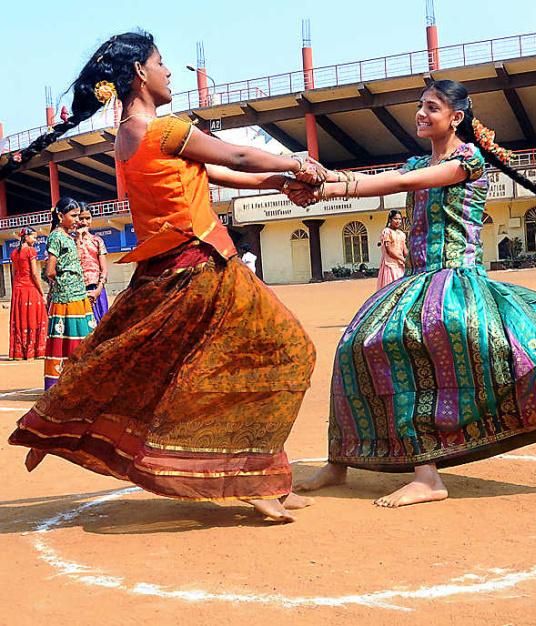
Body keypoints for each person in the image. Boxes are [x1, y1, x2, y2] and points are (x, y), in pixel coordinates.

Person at [5, 32, 324, 523]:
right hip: (203, 270)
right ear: (139, 74)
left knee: (246, 363)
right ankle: (251, 481)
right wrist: (297, 162)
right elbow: (235, 156)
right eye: (161, 62)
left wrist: (284, 181)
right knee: (287, 352)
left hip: (177, 271)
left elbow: (222, 174)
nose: (169, 71)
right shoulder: (165, 129)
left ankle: (265, 478)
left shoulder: (129, 137)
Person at [292, 79, 536, 507]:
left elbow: (401, 184)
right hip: (414, 281)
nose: (421, 113)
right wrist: (321, 183)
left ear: (456, 117)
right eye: (420, 106)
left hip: (454, 280)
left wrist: (328, 186)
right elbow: (401, 178)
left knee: (406, 345)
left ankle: (428, 477)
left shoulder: (468, 159)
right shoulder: (417, 159)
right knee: (351, 347)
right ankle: (338, 461)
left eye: (431, 107)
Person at [43, 197, 96, 389]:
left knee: (81, 335)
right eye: (73, 216)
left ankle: (79, 380)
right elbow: (50, 270)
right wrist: (64, 283)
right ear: (60, 216)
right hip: (66, 298)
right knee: (70, 337)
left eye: (78, 216)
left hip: (78, 295)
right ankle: (66, 383)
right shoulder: (57, 237)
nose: (77, 220)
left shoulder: (68, 237)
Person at [9, 227, 47, 360]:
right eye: (34, 237)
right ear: (26, 237)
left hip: (18, 289)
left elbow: (14, 274)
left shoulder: (14, 253)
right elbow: (35, 274)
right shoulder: (31, 251)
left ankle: (19, 353)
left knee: (21, 318)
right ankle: (35, 351)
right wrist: (42, 293)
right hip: (30, 288)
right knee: (35, 317)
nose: (35, 240)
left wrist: (15, 289)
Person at [76, 203, 109, 324]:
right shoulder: (69, 241)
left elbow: (104, 269)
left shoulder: (97, 241)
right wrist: (79, 237)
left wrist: (98, 291)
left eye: (87, 218)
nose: (84, 222)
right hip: (77, 290)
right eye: (81, 218)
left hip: (97, 289)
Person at [376, 210, 407, 290]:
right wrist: (402, 259)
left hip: (400, 265)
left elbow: (405, 250)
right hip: (390, 265)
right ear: (390, 220)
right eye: (395, 219)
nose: (398, 221)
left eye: (400, 219)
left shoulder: (401, 234)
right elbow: (389, 251)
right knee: (391, 289)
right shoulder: (387, 232)